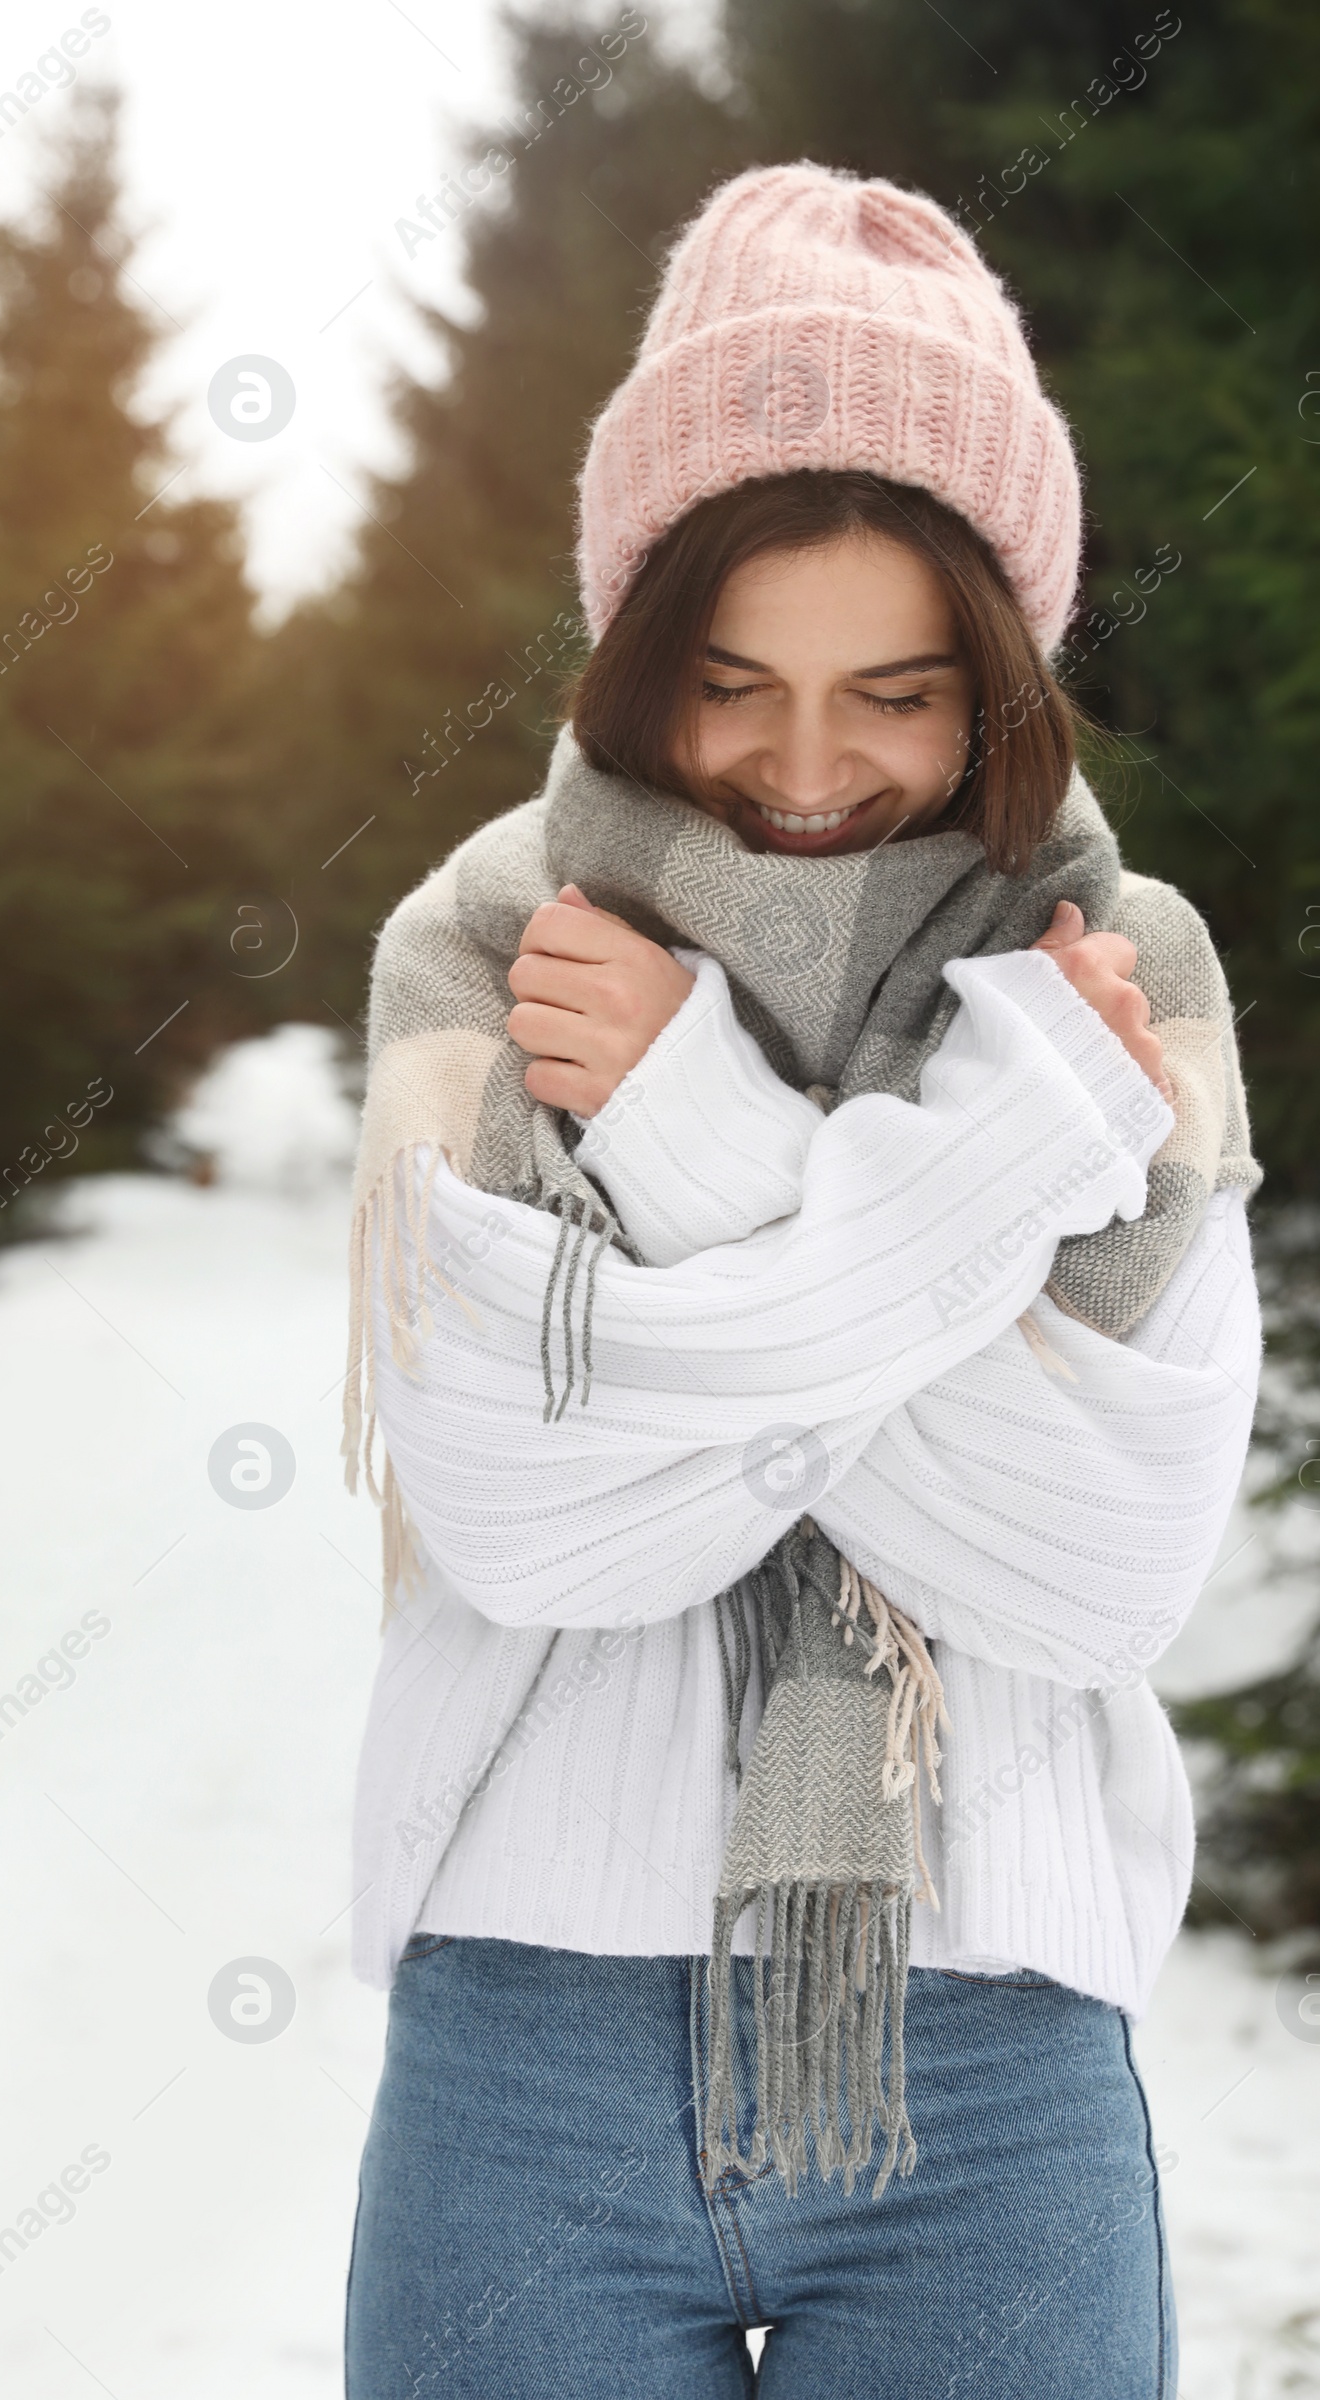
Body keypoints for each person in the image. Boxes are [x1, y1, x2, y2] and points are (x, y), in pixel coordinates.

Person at [340, 161, 1261, 2399]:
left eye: (897, 693)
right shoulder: (484, 960)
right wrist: (983, 1187)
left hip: (990, 2073)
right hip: (524, 2056)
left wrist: (689, 1142)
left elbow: (1092, 1573)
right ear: (637, 653)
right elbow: (532, 1518)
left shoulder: (1123, 994)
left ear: (1000, 684)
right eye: (735, 683)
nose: (808, 770)